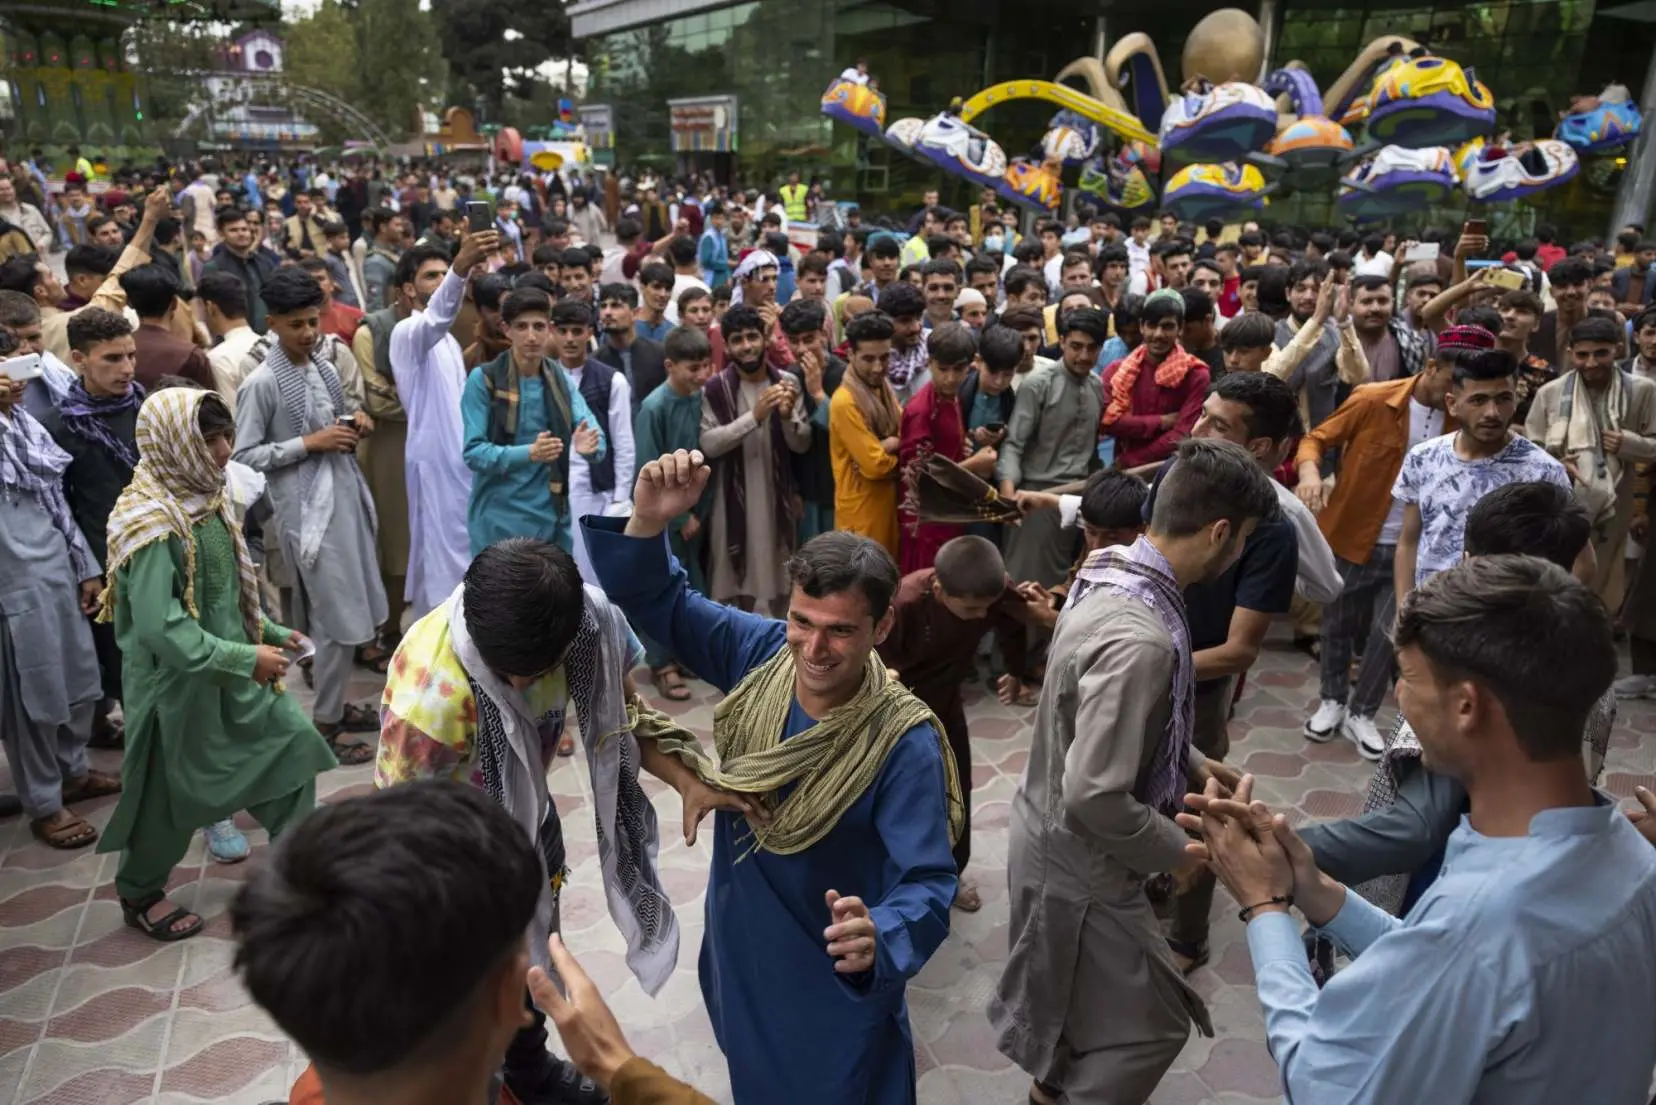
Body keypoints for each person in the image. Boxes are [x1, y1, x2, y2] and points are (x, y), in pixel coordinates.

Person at [1183, 555, 1656, 1105]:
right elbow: (1446, 971)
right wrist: (1320, 892)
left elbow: (1322, 1083)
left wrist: (1264, 908)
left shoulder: (1483, 919)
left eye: (1406, 678)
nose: (1398, 699)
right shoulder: (1630, 852)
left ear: (1465, 706)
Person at [581, 452, 961, 1105]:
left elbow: (927, 880)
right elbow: (663, 600)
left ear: (883, 625)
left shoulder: (904, 742)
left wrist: (880, 932)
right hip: (744, 950)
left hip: (832, 974)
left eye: (840, 632)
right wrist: (649, 519)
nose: (813, 651)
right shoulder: (760, 655)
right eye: (802, 622)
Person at [375, 537, 744, 1105]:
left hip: (528, 825)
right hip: (446, 859)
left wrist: (685, 777)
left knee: (536, 960)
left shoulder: (588, 623)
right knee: (468, 992)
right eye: (509, 677)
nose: (522, 691)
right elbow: (395, 837)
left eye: (537, 673)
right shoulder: (430, 700)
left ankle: (528, 1068)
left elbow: (622, 719)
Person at [991, 439, 1279, 1105]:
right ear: (1221, 534)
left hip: (1055, 843)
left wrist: (1200, 765)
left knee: (1076, 1018)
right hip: (1080, 863)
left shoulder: (1111, 567)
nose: (1243, 555)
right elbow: (1093, 793)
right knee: (1149, 1028)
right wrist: (1182, 851)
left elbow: (1111, 725)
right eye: (1246, 541)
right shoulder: (1144, 638)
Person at [1303, 480, 1613, 917]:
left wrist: (1282, 846)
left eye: (1406, 678)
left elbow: (1411, 828)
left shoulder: (1463, 663)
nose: (1400, 692)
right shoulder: (1587, 644)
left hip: (1443, 887)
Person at [96, 387, 336, 939]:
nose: (226, 450)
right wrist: (241, 656)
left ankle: (298, 875)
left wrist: (271, 632)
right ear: (174, 445)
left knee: (290, 750)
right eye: (208, 440)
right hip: (176, 689)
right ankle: (140, 892)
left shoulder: (208, 499)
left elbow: (224, 595)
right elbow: (162, 628)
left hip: (233, 671)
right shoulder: (150, 523)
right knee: (167, 800)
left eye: (226, 436)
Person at [1295, 326, 1473, 755]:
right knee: (1336, 624)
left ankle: (1363, 713)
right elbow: (1315, 439)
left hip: (1417, 548)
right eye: (1453, 383)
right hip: (1351, 535)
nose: (1458, 395)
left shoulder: (1462, 417)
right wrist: (1310, 473)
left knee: (1390, 634)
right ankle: (1332, 700)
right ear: (1432, 368)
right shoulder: (1374, 398)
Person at [232, 268, 385, 759]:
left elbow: (330, 419)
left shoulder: (322, 365)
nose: (308, 333)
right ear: (271, 323)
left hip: (344, 499)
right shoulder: (261, 382)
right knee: (334, 619)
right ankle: (325, 723)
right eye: (296, 324)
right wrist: (309, 443)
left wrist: (352, 423)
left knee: (348, 611)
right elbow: (242, 456)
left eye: (313, 322)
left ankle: (335, 705)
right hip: (306, 516)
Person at [880, 534, 1031, 913]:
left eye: (987, 608)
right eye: (970, 610)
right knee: (899, 797)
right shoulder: (905, 605)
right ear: (938, 587)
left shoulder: (994, 593)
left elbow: (1013, 623)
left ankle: (951, 874)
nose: (981, 617)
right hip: (895, 712)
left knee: (956, 792)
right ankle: (893, 877)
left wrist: (1015, 670)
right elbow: (875, 665)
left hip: (946, 705)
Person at [0, 352, 112, 850]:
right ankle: (45, 804)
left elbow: (53, 498)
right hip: (13, 586)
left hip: (55, 570)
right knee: (32, 698)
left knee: (77, 680)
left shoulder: (23, 425)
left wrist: (84, 565)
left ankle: (74, 772)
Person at [1394, 347, 1571, 599]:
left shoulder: (1544, 471)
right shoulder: (1423, 458)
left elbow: (1581, 561)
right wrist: (1404, 612)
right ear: (1452, 404)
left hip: (1504, 622)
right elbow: (1408, 542)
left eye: (1503, 399)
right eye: (1478, 400)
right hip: (1432, 615)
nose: (1492, 412)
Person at [393, 230, 499, 620]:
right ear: (408, 290)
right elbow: (436, 317)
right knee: (441, 571)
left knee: (464, 565)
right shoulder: (409, 333)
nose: (439, 282)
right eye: (430, 276)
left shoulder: (450, 344)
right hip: (435, 468)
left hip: (462, 467)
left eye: (443, 274)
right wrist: (460, 267)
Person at [461, 287, 605, 558]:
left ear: (549, 329)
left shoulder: (559, 380)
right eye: (522, 326)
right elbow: (473, 453)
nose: (531, 336)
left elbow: (594, 435)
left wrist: (590, 447)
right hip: (497, 519)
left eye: (538, 326)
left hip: (552, 518)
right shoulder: (484, 380)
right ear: (506, 330)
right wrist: (530, 453)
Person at [1526, 314, 1656, 607]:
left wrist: (1630, 444)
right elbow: (1531, 448)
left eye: (1601, 353)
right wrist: (1556, 462)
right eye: (1582, 355)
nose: (1591, 362)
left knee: (1604, 582)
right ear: (1570, 353)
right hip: (1562, 502)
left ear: (1619, 349)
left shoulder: (1642, 390)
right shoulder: (1550, 393)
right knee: (1558, 581)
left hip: (1617, 501)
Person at [699, 303, 810, 615]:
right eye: (737, 340)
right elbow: (709, 444)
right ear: (728, 347)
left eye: (752, 337)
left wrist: (787, 418)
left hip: (777, 498)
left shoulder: (787, 382)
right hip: (729, 499)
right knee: (732, 580)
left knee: (778, 577)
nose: (746, 346)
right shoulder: (716, 388)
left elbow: (801, 445)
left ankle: (776, 646)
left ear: (764, 338)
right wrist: (755, 417)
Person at [634, 325, 715, 699]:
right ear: (670, 365)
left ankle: (686, 653)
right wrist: (679, 517)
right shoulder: (654, 407)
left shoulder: (701, 399)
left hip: (697, 510)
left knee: (691, 585)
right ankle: (662, 663)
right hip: (669, 517)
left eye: (705, 366)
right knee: (660, 585)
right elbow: (649, 468)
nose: (700, 376)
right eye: (692, 368)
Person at [1000, 307, 1107, 588]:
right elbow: (1013, 444)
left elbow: (1092, 451)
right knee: (1026, 588)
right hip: (1037, 499)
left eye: (1092, 348)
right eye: (1076, 346)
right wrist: (1009, 496)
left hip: (1079, 505)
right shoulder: (1038, 385)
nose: (1083, 356)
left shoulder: (1098, 386)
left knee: (1066, 589)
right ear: (1061, 342)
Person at [897, 321, 998, 571]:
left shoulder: (950, 397)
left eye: (958, 369)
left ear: (971, 364)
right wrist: (973, 465)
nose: (951, 378)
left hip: (949, 510)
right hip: (926, 518)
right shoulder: (922, 411)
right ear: (929, 362)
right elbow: (919, 478)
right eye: (943, 369)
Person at [1100, 289, 1209, 468]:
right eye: (1152, 325)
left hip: (1171, 470)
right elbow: (1108, 422)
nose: (1158, 334)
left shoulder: (1195, 374)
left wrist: (1129, 461)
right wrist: (1163, 421)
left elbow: (1181, 434)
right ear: (1142, 326)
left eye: (1167, 326)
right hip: (1123, 468)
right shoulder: (1117, 371)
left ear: (1180, 328)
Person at [829, 310, 903, 556]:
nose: (878, 367)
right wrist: (902, 453)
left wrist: (892, 444)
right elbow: (875, 465)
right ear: (850, 354)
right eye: (868, 358)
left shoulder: (883, 389)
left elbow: (906, 431)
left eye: (885, 358)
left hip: (888, 507)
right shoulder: (845, 401)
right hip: (862, 514)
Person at [200, 206, 281, 332]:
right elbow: (208, 310)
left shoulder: (265, 263)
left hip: (269, 336)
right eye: (233, 230)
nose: (241, 234)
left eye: (244, 229)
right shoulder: (214, 268)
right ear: (222, 233)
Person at [594, 282, 667, 406]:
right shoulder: (595, 363)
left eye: (616, 306)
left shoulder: (659, 354)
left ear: (635, 313)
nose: (607, 312)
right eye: (603, 306)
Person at [877, 281, 931, 404]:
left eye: (919, 317)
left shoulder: (935, 345)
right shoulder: (873, 358)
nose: (916, 327)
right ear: (885, 320)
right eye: (905, 321)